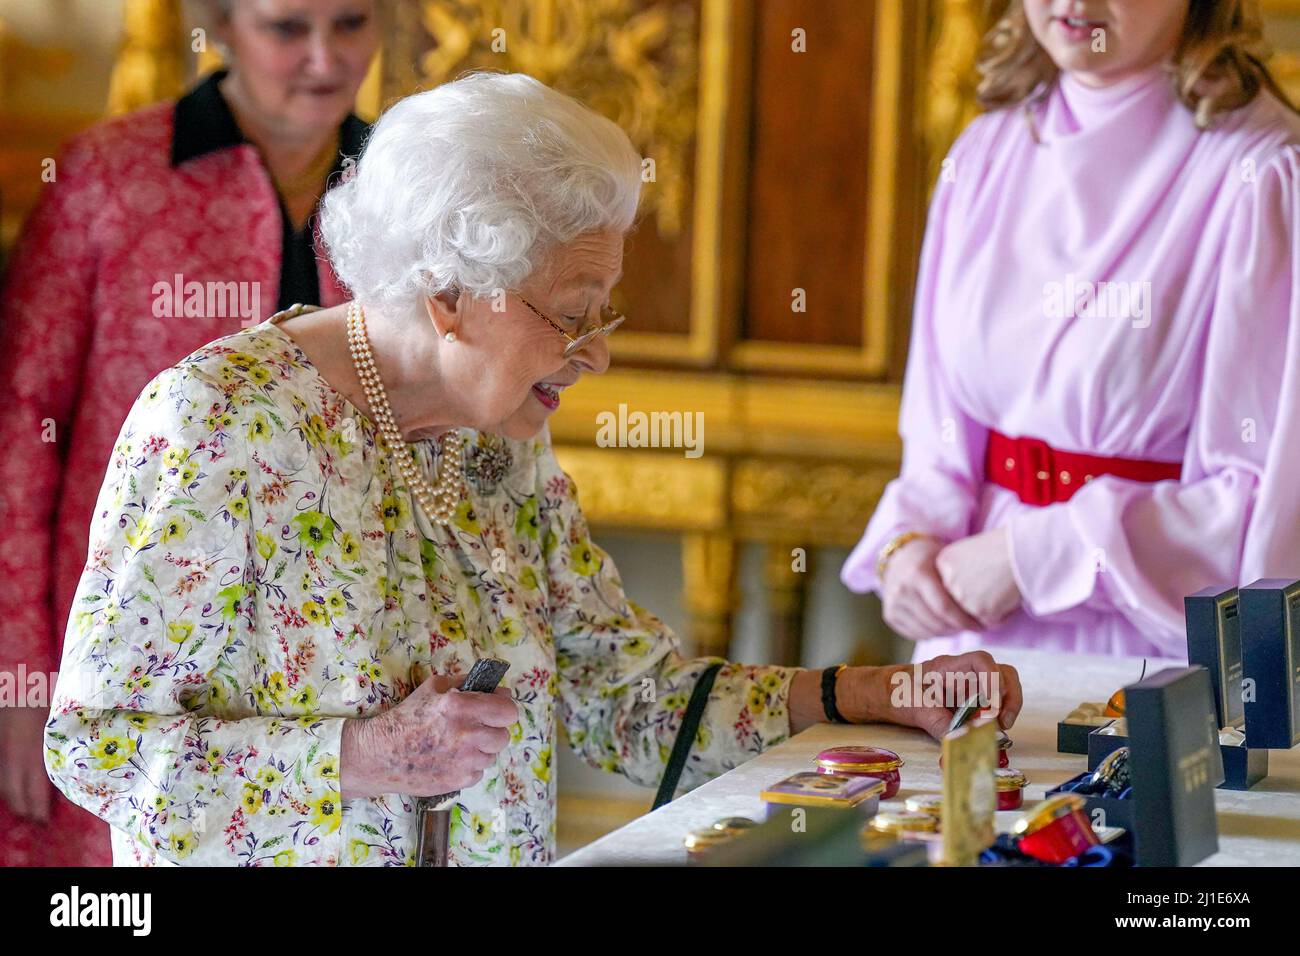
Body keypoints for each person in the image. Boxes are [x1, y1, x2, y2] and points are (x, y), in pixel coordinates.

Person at [44, 72, 1022, 866]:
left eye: (606, 309)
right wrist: (360, 756)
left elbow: (624, 698)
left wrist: (872, 693)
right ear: (448, 294)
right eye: (573, 309)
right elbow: (96, 746)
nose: (597, 352)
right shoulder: (222, 425)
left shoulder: (496, 437)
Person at [0, 0, 378, 865]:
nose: (325, 57)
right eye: (288, 28)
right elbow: (23, 436)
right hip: (115, 646)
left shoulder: (399, 183)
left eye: (353, 22)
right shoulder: (110, 176)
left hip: (328, 668)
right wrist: (19, 679)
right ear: (222, 24)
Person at [842, 0, 1300, 660]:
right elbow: (939, 430)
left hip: (1147, 652)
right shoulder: (985, 153)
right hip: (974, 633)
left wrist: (1038, 554)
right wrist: (908, 542)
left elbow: (1266, 508)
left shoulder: (1261, 176)